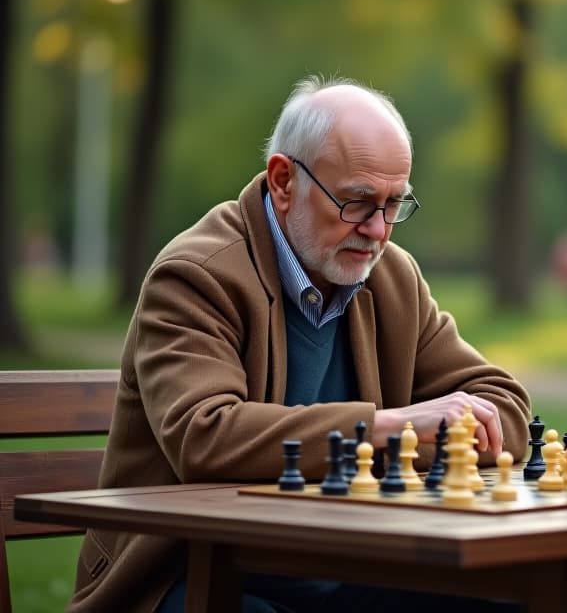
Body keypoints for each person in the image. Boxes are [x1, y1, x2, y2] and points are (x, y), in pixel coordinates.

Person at [69, 75, 531, 613]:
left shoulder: (391, 278)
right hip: (189, 573)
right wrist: (390, 428)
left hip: (343, 566)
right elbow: (206, 437)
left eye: (394, 205)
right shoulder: (195, 275)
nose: (379, 230)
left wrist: (426, 434)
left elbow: (502, 405)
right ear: (284, 180)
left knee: (508, 597)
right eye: (358, 202)